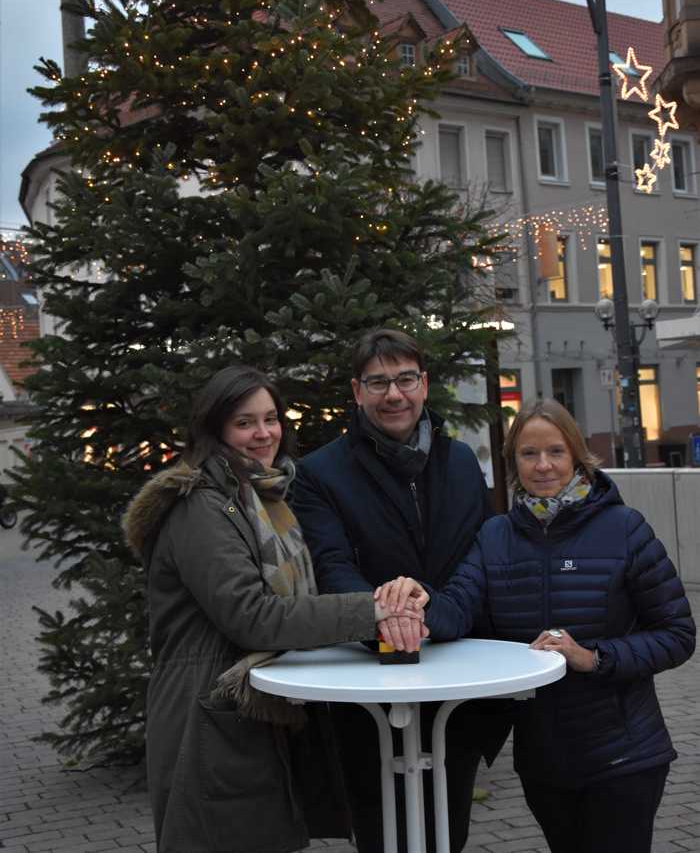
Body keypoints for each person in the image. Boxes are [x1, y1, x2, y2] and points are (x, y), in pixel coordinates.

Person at [123, 365, 422, 853]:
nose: (263, 434)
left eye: (271, 418)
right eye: (245, 422)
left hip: (246, 710)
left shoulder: (261, 496)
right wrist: (373, 609)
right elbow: (253, 616)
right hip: (208, 716)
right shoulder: (200, 506)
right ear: (215, 428)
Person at [376, 397, 696, 853]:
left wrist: (593, 658)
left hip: (624, 755)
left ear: (577, 456)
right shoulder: (495, 537)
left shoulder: (624, 527)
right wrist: (421, 600)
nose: (543, 465)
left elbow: (678, 635)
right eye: (528, 454)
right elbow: (458, 607)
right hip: (543, 761)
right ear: (513, 462)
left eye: (556, 452)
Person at [293, 328, 509, 853]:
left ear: (425, 384)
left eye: (406, 379)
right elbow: (332, 565)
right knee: (379, 828)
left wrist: (432, 607)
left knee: (448, 825)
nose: (395, 395)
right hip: (369, 678)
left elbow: (478, 557)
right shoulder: (320, 473)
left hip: (456, 671)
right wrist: (386, 617)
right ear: (357, 391)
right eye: (379, 382)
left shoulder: (460, 461)